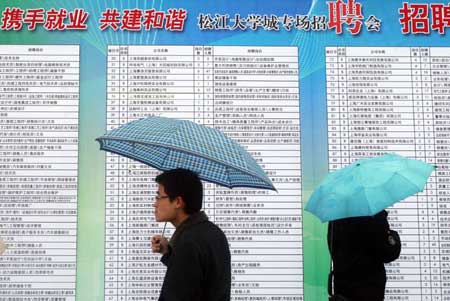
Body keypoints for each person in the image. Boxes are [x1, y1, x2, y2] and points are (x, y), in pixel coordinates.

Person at [151, 168, 231, 301]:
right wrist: (169, 252)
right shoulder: (214, 232)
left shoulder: (188, 242)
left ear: (178, 202)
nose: (155, 204)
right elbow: (197, 279)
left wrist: (177, 251)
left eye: (159, 196)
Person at [328, 210, 390, 301]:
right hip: (370, 288)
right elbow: (387, 253)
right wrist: (392, 236)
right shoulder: (374, 214)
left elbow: (332, 247)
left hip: (342, 287)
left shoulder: (335, 216)